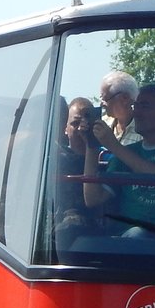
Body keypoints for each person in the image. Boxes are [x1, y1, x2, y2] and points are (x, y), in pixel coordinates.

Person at [81, 83, 155, 236]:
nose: (136, 113)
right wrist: (92, 145)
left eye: (144, 106)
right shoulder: (127, 152)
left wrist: (114, 146)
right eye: (135, 106)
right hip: (135, 238)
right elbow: (93, 199)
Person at [53, 96, 102, 249]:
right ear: (65, 129)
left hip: (95, 227)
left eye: (85, 124)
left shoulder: (107, 160)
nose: (81, 129)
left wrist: (91, 143)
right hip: (59, 227)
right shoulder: (55, 159)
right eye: (75, 123)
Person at [98, 71, 142, 146]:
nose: (102, 104)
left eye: (105, 99)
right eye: (101, 98)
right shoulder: (102, 124)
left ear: (125, 98)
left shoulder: (142, 130)